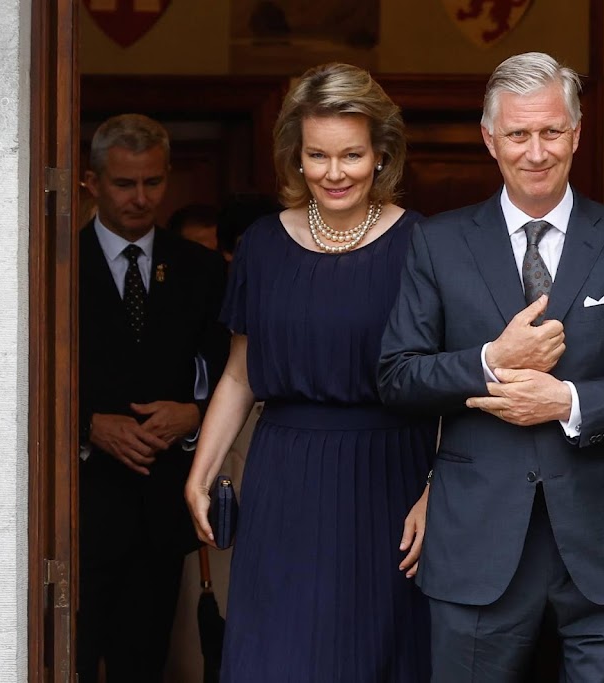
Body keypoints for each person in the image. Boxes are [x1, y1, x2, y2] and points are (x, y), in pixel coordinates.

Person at [378, 52, 604, 682]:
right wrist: (489, 362)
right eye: (518, 134)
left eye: (551, 131)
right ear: (489, 138)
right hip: (477, 542)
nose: (536, 152)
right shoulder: (439, 242)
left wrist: (568, 403)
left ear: (576, 133)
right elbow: (397, 377)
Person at [184, 63, 435, 682]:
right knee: (279, 657)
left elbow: (449, 387)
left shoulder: (425, 245)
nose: (334, 172)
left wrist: (438, 492)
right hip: (283, 478)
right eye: (317, 155)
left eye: (352, 155)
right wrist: (201, 471)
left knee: (373, 657)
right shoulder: (262, 245)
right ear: (295, 156)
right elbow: (240, 374)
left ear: (381, 154)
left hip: (389, 481)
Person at [78, 113, 230, 682]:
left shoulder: (200, 268)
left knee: (143, 667)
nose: (140, 198)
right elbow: (21, 374)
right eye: (124, 184)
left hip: (159, 512)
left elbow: (230, 370)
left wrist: (194, 415)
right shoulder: (53, 261)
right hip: (75, 510)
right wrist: (87, 424)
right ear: (92, 182)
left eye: (153, 182)